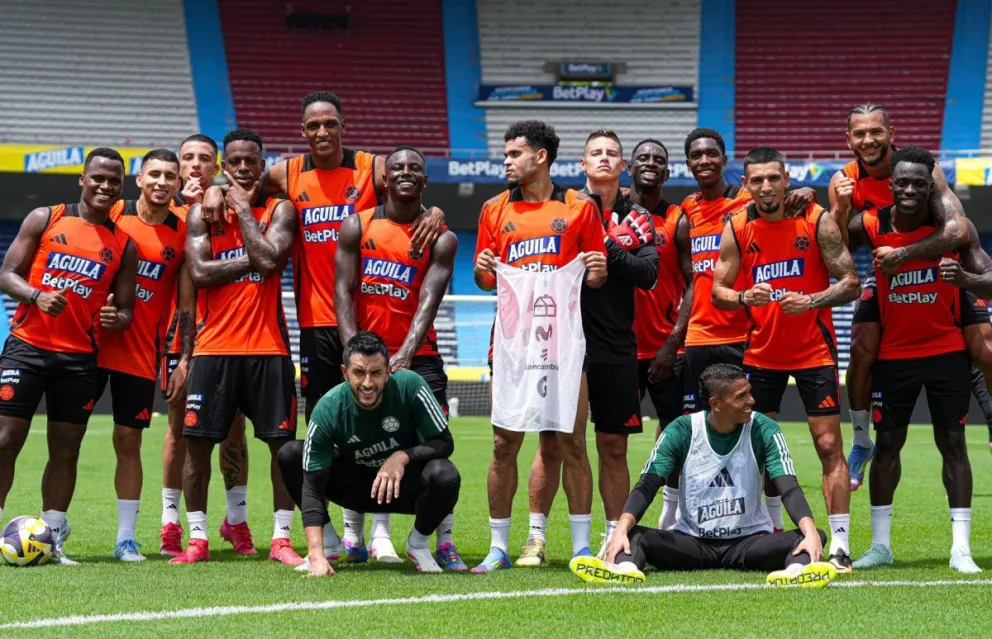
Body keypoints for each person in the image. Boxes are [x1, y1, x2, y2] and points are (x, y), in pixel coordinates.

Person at [200, 92, 446, 560]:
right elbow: (240, 181)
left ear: (342, 126)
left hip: (367, 322)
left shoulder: (370, 167)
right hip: (316, 322)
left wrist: (434, 211)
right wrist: (213, 186)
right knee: (328, 428)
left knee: (382, 428)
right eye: (312, 126)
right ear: (302, 131)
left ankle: (377, 533)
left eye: (329, 124)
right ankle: (338, 534)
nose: (321, 132)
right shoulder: (287, 174)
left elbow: (408, 185)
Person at [711, 146, 861, 573]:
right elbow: (718, 291)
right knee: (757, 450)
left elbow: (851, 281)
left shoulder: (814, 219)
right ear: (746, 185)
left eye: (773, 178)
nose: (765, 187)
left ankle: (840, 545)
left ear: (786, 178)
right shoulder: (737, 228)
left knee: (829, 445)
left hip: (815, 352)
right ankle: (771, 533)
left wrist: (812, 299)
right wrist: (742, 296)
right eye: (756, 180)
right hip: (761, 355)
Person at [471, 120, 607, 572]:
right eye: (506, 155)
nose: (507, 161)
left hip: (564, 345)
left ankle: (583, 546)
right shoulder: (493, 209)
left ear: (541, 157)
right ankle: (497, 547)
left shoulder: (579, 208)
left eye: (515, 154)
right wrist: (485, 266)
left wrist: (599, 270)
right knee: (502, 442)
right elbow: (484, 278)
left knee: (571, 442)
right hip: (511, 345)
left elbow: (594, 275)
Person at [519, 129, 657, 563]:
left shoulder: (638, 218)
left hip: (616, 346)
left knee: (614, 447)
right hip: (559, 345)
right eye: (595, 152)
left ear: (623, 167)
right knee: (552, 444)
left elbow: (648, 273)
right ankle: (536, 537)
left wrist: (608, 253)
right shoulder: (561, 209)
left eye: (611, 154)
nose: (603, 158)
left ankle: (615, 540)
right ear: (581, 164)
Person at [570, 364, 836, 589]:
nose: (751, 401)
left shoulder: (764, 429)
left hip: (749, 543)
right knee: (635, 535)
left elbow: (788, 487)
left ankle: (797, 573)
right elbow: (648, 483)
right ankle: (623, 568)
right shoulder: (682, 430)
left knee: (811, 536)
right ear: (716, 404)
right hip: (692, 543)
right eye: (741, 397)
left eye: (749, 393)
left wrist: (809, 531)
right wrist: (621, 529)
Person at [844, 148, 983, 574]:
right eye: (901, 182)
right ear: (890, 184)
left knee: (953, 445)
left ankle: (961, 549)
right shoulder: (870, 224)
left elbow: (988, 278)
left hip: (946, 353)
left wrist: (968, 280)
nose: (909, 189)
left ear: (932, 186)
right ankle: (881, 546)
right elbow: (829, 238)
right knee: (887, 447)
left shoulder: (954, 230)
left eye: (918, 183)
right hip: (895, 355)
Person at [828, 102, 976, 491]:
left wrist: (905, 253)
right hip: (887, 277)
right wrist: (840, 210)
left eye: (876, 131)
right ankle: (861, 439)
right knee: (860, 351)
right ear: (848, 140)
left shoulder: (921, 167)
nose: (868, 139)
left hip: (934, 269)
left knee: (985, 348)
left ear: (891, 134)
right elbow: (837, 252)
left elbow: (958, 227)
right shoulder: (843, 180)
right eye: (859, 133)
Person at [0, 148, 137, 564]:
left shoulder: (123, 244)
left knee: (66, 449)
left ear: (121, 186)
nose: (105, 186)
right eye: (98, 178)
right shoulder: (46, 217)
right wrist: (37, 295)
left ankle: (53, 537)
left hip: (79, 358)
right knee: (5, 441)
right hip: (26, 348)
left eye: (114, 181)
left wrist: (117, 316)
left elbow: (126, 310)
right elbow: (7, 274)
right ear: (82, 178)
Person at [171, 129, 301, 566]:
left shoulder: (280, 209)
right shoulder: (201, 214)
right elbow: (202, 274)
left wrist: (243, 211)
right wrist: (258, 257)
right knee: (198, 447)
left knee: (282, 447)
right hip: (213, 350)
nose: (244, 167)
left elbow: (267, 260)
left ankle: (281, 539)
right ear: (225, 165)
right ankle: (198, 539)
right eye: (236, 161)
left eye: (252, 161)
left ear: (262, 165)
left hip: (269, 349)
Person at [334, 145, 465, 570]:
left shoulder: (441, 237)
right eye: (397, 168)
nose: (406, 173)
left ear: (425, 181)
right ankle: (358, 536)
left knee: (436, 450)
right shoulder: (358, 225)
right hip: (367, 358)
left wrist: (405, 354)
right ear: (384, 179)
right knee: (358, 445)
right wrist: (355, 353)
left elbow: (430, 298)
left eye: (415, 169)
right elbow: (343, 290)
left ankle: (442, 540)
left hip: (419, 358)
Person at [680, 129, 814, 531]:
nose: (704, 161)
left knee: (747, 433)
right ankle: (685, 516)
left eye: (711, 154)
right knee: (693, 433)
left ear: (726, 163)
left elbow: (786, 194)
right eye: (696, 155)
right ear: (688, 163)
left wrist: (805, 190)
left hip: (743, 337)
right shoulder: (686, 208)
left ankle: (757, 517)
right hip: (699, 335)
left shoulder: (747, 203)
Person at [278, 331, 459, 576]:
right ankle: (329, 547)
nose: (367, 383)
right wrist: (316, 553)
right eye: (359, 373)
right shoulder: (328, 408)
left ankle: (417, 544)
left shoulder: (410, 385)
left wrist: (401, 456)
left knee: (445, 474)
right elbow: (311, 487)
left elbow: (444, 443)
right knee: (291, 454)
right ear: (344, 372)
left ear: (388, 371)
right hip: (354, 491)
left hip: (402, 489)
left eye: (375, 373)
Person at [90, 149, 191, 561]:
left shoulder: (184, 230)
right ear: (139, 179)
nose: (162, 182)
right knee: (68, 438)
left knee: (127, 441)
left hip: (138, 352)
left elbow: (185, 306)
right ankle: (54, 526)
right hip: (90, 345)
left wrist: (184, 356)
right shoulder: (112, 212)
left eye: (170, 175)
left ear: (179, 184)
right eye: (154, 174)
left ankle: (126, 538)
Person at [160, 134, 255, 558]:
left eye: (204, 158)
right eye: (188, 158)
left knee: (235, 427)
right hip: (181, 334)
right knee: (180, 429)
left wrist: (218, 191)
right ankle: (171, 525)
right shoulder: (168, 210)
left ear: (217, 165)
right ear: (177, 165)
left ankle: (236, 522)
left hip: (228, 333)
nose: (195, 164)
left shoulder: (226, 203)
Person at [626, 138, 692, 530]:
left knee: (675, 435)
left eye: (659, 160)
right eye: (643, 158)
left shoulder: (677, 218)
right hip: (619, 350)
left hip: (667, 349)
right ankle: (616, 520)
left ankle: (671, 513)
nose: (651, 163)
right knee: (613, 441)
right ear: (628, 168)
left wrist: (673, 341)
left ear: (667, 173)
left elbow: (693, 282)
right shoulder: (608, 211)